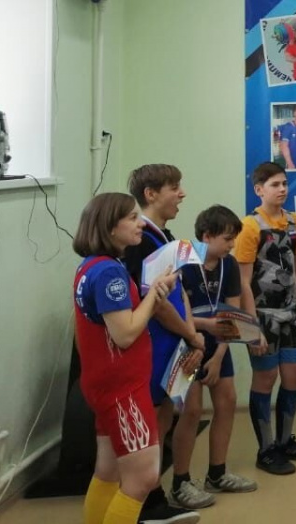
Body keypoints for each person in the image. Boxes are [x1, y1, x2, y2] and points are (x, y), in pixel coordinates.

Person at [73, 193, 183, 524]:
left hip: (105, 383)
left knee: (108, 471)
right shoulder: (109, 272)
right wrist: (156, 293)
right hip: (121, 388)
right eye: (132, 218)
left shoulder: (91, 265)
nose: (140, 224)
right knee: (143, 478)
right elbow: (125, 333)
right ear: (110, 226)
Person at [122, 165, 204, 523]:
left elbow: (179, 291)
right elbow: (154, 302)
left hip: (175, 342)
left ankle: (153, 494)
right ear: (151, 194)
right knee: (153, 422)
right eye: (174, 187)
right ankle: (147, 500)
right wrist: (190, 334)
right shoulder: (140, 239)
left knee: (166, 416)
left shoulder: (165, 236)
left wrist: (191, 335)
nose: (182, 194)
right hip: (154, 345)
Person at [236, 162, 296, 476]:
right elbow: (243, 282)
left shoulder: (295, 222)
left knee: (295, 374)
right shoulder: (249, 227)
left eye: (284, 183)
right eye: (275, 184)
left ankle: (285, 441)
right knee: (265, 377)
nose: (282, 189)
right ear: (259, 190)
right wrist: (250, 328)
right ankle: (266, 449)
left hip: (291, 316)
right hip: (262, 318)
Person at [170, 206, 258, 505]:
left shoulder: (228, 264)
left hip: (218, 342)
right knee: (192, 410)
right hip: (186, 342)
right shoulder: (182, 263)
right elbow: (175, 314)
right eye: (227, 239)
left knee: (227, 400)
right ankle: (180, 482)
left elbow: (231, 312)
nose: (232, 245)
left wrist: (219, 354)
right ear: (206, 236)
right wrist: (203, 329)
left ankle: (217, 473)